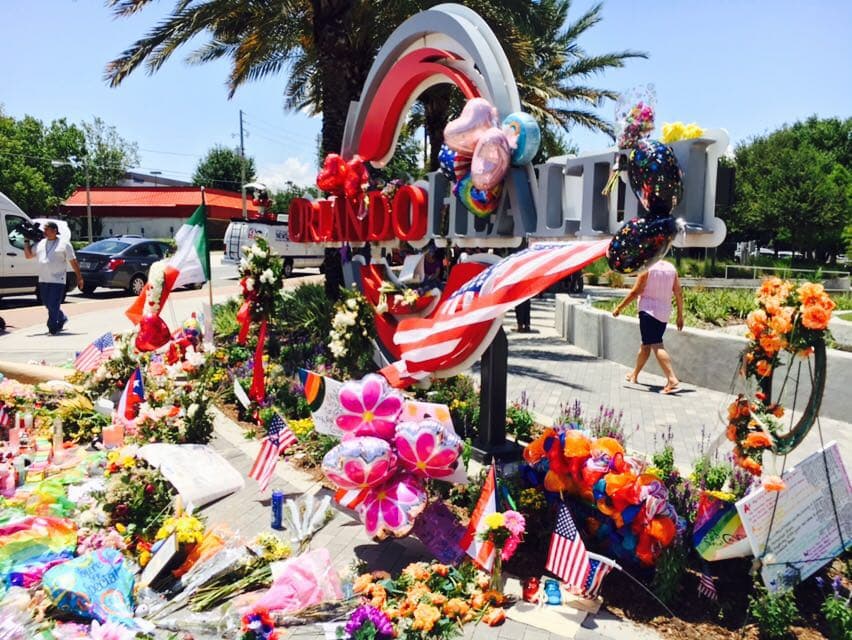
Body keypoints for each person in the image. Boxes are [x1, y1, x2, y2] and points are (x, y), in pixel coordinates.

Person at [612, 259, 684, 394]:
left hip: (648, 312)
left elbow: (635, 292)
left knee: (656, 344)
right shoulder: (671, 268)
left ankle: (672, 379)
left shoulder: (647, 267)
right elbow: (678, 292)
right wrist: (680, 315)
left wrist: (619, 308)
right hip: (664, 313)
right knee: (646, 344)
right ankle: (635, 374)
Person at [23, 222, 84, 335]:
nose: (44, 232)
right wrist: (26, 241)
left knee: (53, 304)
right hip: (43, 279)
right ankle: (62, 318)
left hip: (57, 280)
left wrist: (79, 277)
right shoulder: (41, 243)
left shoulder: (64, 244)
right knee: (47, 304)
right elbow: (28, 255)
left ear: (55, 230)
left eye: (47, 229)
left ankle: (52, 327)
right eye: (44, 230)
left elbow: (73, 261)